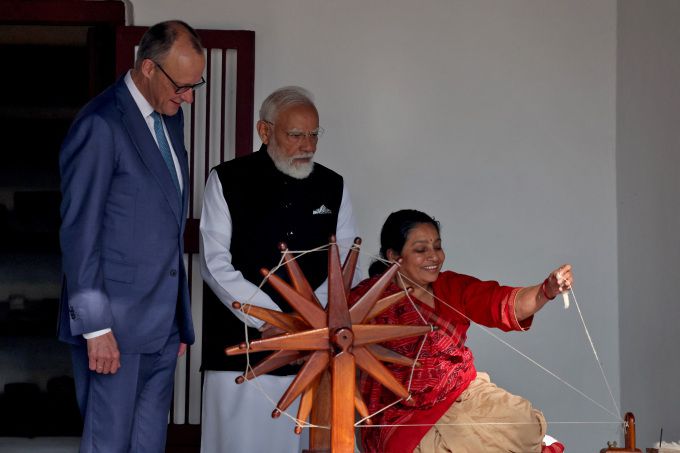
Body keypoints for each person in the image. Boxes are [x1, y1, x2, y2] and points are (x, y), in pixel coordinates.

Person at [58, 20, 205, 452]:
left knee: (148, 444)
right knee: (108, 444)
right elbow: (79, 232)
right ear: (148, 68)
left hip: (163, 324)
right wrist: (95, 328)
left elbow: (163, 220)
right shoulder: (100, 124)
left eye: (195, 85)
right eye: (182, 86)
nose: (189, 97)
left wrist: (176, 318)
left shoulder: (170, 119)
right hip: (113, 327)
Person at [199, 85, 360, 452]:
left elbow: (345, 261)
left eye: (314, 135)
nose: (308, 145)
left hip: (313, 345)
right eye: (296, 135)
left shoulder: (332, 185)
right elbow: (213, 262)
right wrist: (270, 318)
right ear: (265, 131)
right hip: (242, 345)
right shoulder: (228, 179)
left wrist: (309, 317)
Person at [350, 209, 571, 453]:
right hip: (400, 412)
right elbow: (331, 339)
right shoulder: (364, 300)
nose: (434, 256)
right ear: (394, 256)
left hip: (461, 391)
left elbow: (501, 302)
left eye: (437, 247)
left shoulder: (451, 287)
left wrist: (547, 290)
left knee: (526, 426)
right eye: (421, 249)